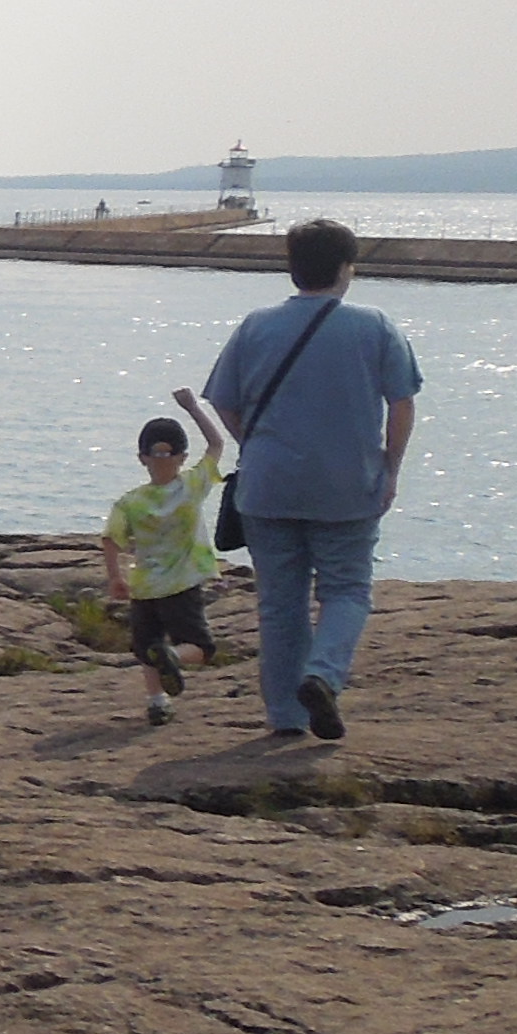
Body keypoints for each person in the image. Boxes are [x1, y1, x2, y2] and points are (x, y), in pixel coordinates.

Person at [205, 217, 422, 743]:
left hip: (268, 484)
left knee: (280, 604)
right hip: (348, 485)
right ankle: (322, 674)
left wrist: (254, 444)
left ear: (292, 267)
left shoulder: (255, 325)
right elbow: (402, 403)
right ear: (347, 269)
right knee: (346, 590)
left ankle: (286, 715)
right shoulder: (375, 326)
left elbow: (224, 400)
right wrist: (391, 468)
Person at [98, 390, 230, 726]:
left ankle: (157, 701)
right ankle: (173, 656)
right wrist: (193, 407)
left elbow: (111, 539)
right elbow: (217, 444)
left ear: (142, 457)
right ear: (182, 456)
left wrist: (115, 577)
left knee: (147, 646)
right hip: (182, 584)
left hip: (144, 587)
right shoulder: (192, 486)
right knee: (200, 647)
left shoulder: (130, 502)